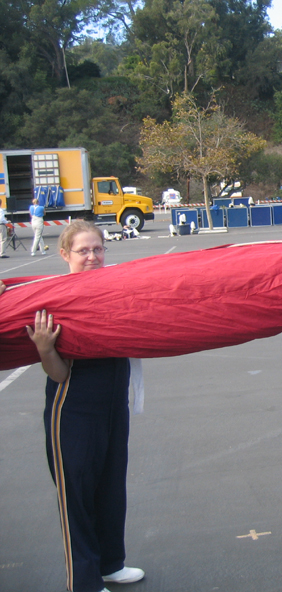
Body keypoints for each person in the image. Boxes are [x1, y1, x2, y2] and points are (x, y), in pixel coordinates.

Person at [23, 220, 144, 592]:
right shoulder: (55, 299)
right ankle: (85, 582)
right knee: (77, 494)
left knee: (111, 488)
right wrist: (44, 348)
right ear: (64, 254)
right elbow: (58, 374)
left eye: (98, 249)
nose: (92, 256)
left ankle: (111, 564)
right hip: (72, 408)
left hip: (112, 405)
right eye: (83, 251)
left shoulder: (113, 290)